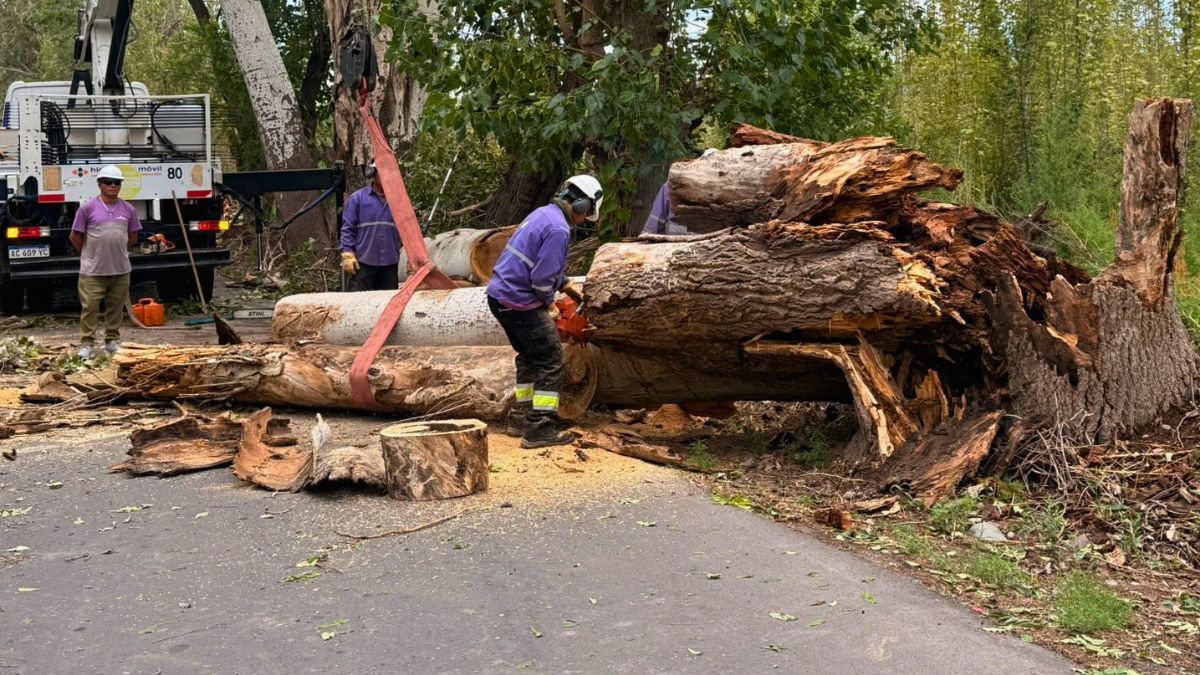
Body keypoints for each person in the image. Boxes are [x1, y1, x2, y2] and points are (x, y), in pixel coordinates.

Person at [487, 175, 599, 449]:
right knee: (551, 359)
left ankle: (519, 419)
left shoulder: (543, 214)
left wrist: (570, 288)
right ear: (582, 205)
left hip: (499, 296)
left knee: (528, 356)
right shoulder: (559, 230)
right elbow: (540, 281)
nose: (584, 221)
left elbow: (540, 264)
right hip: (518, 301)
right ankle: (540, 429)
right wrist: (549, 305)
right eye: (587, 215)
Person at [69, 165, 141, 359]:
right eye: (108, 182)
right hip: (92, 271)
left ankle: (111, 341)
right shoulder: (87, 208)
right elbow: (75, 236)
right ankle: (87, 344)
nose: (113, 186)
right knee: (90, 307)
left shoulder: (128, 209)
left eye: (116, 182)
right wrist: (89, 253)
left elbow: (133, 237)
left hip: (120, 269)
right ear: (100, 184)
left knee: (115, 308)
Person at [340, 163, 401, 291]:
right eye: (382, 173)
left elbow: (408, 230)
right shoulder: (357, 199)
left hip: (390, 264)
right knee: (359, 303)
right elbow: (348, 229)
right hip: (363, 263)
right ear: (372, 174)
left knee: (388, 303)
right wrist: (347, 253)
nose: (387, 177)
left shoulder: (398, 200)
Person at [641, 148, 717, 235]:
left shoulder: (672, 184)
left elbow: (656, 217)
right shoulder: (725, 192)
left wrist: (646, 235)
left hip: (676, 238)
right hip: (706, 240)